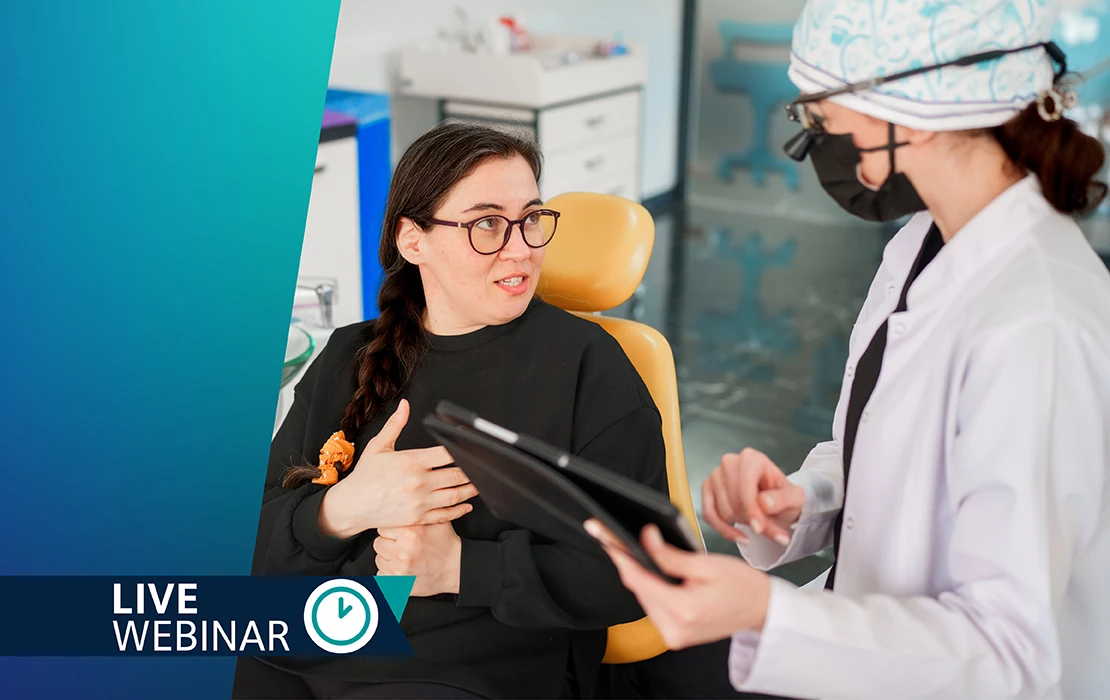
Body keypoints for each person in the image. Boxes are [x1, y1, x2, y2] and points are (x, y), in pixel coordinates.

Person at [589, 2, 1110, 699]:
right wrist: (799, 500)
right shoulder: (920, 245)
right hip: (860, 642)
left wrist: (768, 611)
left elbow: (1012, 651)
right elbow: (884, 450)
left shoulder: (1035, 322)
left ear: (915, 107)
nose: (820, 131)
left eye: (826, 108)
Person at [232, 120, 670, 699]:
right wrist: (341, 508)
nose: (520, 248)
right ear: (414, 241)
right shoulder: (350, 356)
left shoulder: (588, 367)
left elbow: (640, 571)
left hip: (465, 671)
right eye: (488, 223)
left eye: (532, 220)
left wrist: (463, 567)